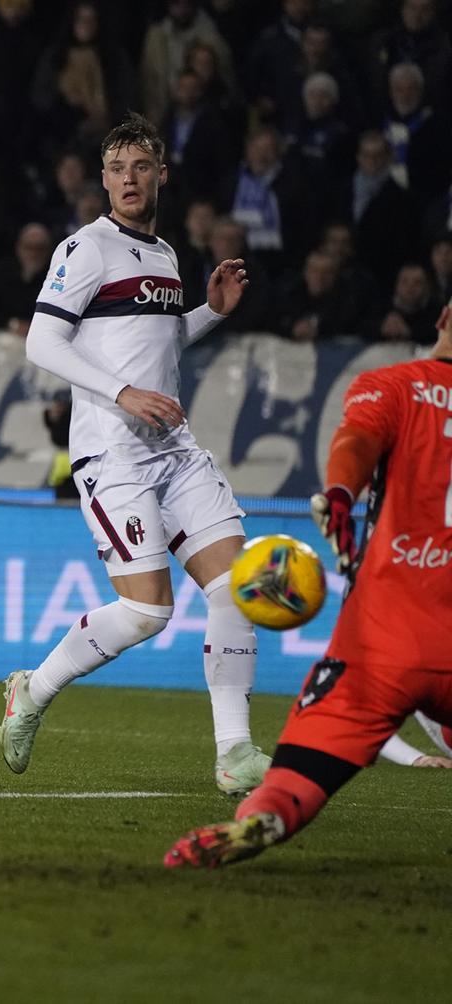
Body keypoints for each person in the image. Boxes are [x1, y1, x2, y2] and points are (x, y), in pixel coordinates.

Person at [1, 113, 265, 796]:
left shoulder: (167, 254)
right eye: (116, 168)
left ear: (160, 174)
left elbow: (157, 345)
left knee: (236, 587)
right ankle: (34, 687)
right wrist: (122, 395)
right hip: (112, 456)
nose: (127, 179)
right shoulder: (85, 249)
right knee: (148, 613)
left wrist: (209, 313)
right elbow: (43, 344)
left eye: (140, 166)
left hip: (172, 449)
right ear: (103, 179)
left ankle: (235, 754)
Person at [166, 303, 452, 867]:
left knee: (305, 761)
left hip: (386, 640)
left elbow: (357, 443)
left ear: (442, 316)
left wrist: (341, 493)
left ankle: (266, 815)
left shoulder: (394, 385)